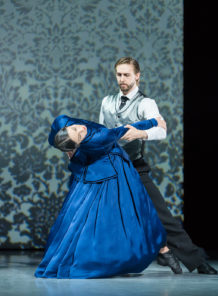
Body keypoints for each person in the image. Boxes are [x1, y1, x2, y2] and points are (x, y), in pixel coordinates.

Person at [99, 57, 218, 275]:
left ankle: (197, 261)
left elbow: (161, 130)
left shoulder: (146, 103)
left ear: (137, 76)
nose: (122, 79)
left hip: (134, 167)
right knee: (107, 217)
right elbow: (101, 132)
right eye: (119, 74)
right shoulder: (107, 101)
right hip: (112, 168)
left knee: (163, 217)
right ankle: (154, 253)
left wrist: (141, 132)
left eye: (126, 74)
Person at [34, 114, 167, 279]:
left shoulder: (61, 122)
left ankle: (162, 249)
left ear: (65, 128)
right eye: (79, 135)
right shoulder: (100, 138)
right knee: (102, 217)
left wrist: (69, 149)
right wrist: (155, 122)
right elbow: (125, 130)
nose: (81, 128)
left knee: (82, 215)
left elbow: (52, 139)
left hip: (91, 166)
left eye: (74, 128)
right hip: (109, 169)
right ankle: (96, 260)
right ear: (78, 143)